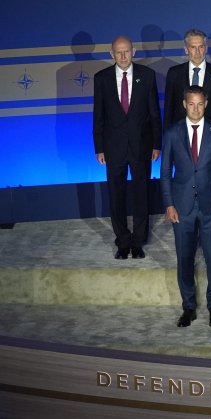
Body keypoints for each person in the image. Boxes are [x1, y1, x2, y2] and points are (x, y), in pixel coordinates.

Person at [160, 86, 211, 328]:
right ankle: (188, 307)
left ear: (206, 103)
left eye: (200, 104)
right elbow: (165, 174)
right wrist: (169, 204)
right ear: (184, 104)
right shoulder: (172, 133)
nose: (196, 108)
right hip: (181, 207)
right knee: (185, 259)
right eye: (191, 104)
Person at [93, 35, 162, 259]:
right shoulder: (101, 78)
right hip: (113, 148)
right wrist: (99, 147)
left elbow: (154, 113)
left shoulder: (147, 75)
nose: (123, 56)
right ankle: (122, 240)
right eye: (118, 52)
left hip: (141, 146)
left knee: (142, 194)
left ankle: (139, 240)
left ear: (134, 52)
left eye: (127, 51)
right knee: (116, 195)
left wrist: (156, 144)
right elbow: (98, 115)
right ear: (111, 54)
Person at [164, 29, 211, 128]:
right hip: (180, 134)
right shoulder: (174, 73)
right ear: (186, 49)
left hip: (210, 135)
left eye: (201, 47)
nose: (197, 52)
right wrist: (167, 140)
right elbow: (168, 109)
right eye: (193, 47)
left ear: (206, 48)